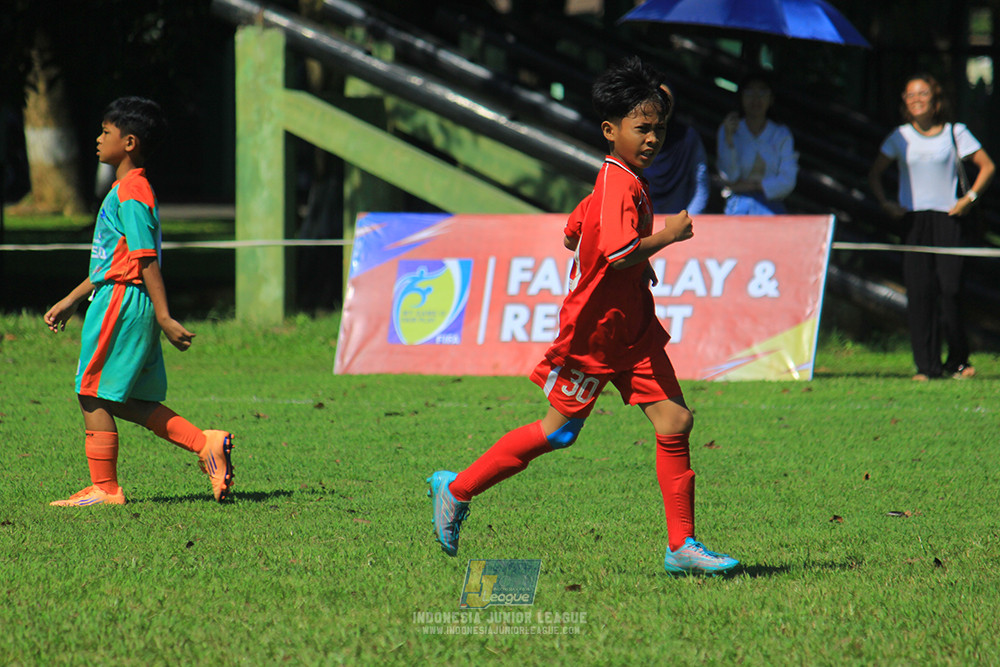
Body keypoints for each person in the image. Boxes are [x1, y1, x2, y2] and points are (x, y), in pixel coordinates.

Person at [426, 57, 739, 575]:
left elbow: (578, 230)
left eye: (659, 129)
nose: (653, 138)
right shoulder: (619, 183)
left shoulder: (622, 179)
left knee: (676, 420)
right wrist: (667, 237)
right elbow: (618, 252)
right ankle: (456, 489)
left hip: (631, 330)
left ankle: (681, 546)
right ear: (610, 131)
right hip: (596, 336)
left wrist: (619, 257)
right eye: (642, 128)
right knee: (558, 433)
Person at [43, 97, 236, 506]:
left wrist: (165, 316)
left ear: (129, 142)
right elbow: (115, 261)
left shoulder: (131, 191)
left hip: (122, 302)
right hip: (125, 297)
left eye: (106, 132)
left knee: (91, 391)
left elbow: (145, 259)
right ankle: (205, 444)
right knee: (126, 398)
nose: (98, 139)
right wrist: (73, 298)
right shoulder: (128, 189)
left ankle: (105, 489)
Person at [868, 73, 995, 381]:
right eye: (910, 95)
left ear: (936, 99)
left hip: (948, 218)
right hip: (914, 221)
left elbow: (987, 166)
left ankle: (958, 360)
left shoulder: (955, 132)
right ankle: (926, 366)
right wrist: (886, 203)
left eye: (923, 93)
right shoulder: (899, 136)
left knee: (950, 290)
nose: (917, 100)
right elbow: (874, 175)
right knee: (920, 292)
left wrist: (969, 199)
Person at [716, 70, 798, 215]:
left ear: (771, 98)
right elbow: (729, 177)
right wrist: (729, 140)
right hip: (737, 204)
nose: (755, 98)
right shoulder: (729, 129)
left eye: (762, 92)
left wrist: (752, 186)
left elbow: (787, 181)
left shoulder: (781, 134)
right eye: (749, 92)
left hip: (772, 206)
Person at [643, 83, 710, 215]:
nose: (662, 105)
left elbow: (700, 185)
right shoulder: (638, 137)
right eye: (657, 99)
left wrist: (686, 219)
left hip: (679, 220)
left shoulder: (688, 138)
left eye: (666, 100)